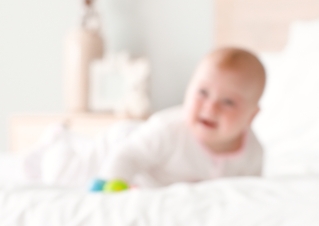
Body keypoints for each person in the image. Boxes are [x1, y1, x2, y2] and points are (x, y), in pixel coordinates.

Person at [24, 47, 265, 191]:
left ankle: (74, 141)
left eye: (228, 102)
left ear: (251, 116)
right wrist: (114, 185)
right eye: (202, 93)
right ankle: (58, 141)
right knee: (68, 176)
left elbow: (249, 190)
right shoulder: (169, 130)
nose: (211, 107)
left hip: (145, 159)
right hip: (122, 146)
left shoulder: (253, 153)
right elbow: (127, 157)